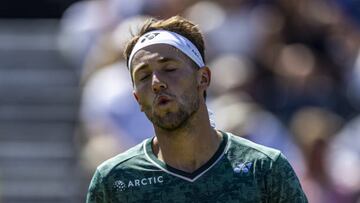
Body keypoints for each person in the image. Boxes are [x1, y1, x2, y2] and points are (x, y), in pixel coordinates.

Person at [86, 15, 308, 203]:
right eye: (143, 76)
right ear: (137, 99)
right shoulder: (114, 181)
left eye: (169, 69)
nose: (156, 82)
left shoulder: (266, 169)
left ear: (203, 78)